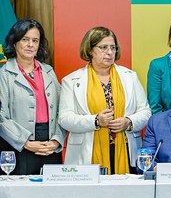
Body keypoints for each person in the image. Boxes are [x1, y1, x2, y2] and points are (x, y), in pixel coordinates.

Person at [58, 27, 151, 173]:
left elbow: (145, 112)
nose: (109, 52)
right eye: (103, 47)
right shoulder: (71, 80)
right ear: (90, 50)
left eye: (113, 48)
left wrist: (128, 121)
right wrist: (95, 121)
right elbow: (65, 119)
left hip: (126, 151)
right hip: (87, 154)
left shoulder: (130, 77)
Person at [0, 19, 65, 174]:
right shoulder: (4, 74)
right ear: (14, 43)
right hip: (16, 146)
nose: (30, 45)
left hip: (50, 146)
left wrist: (57, 140)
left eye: (35, 40)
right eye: (25, 39)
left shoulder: (49, 71)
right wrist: (26, 142)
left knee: (52, 196)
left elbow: (63, 110)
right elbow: (1, 117)